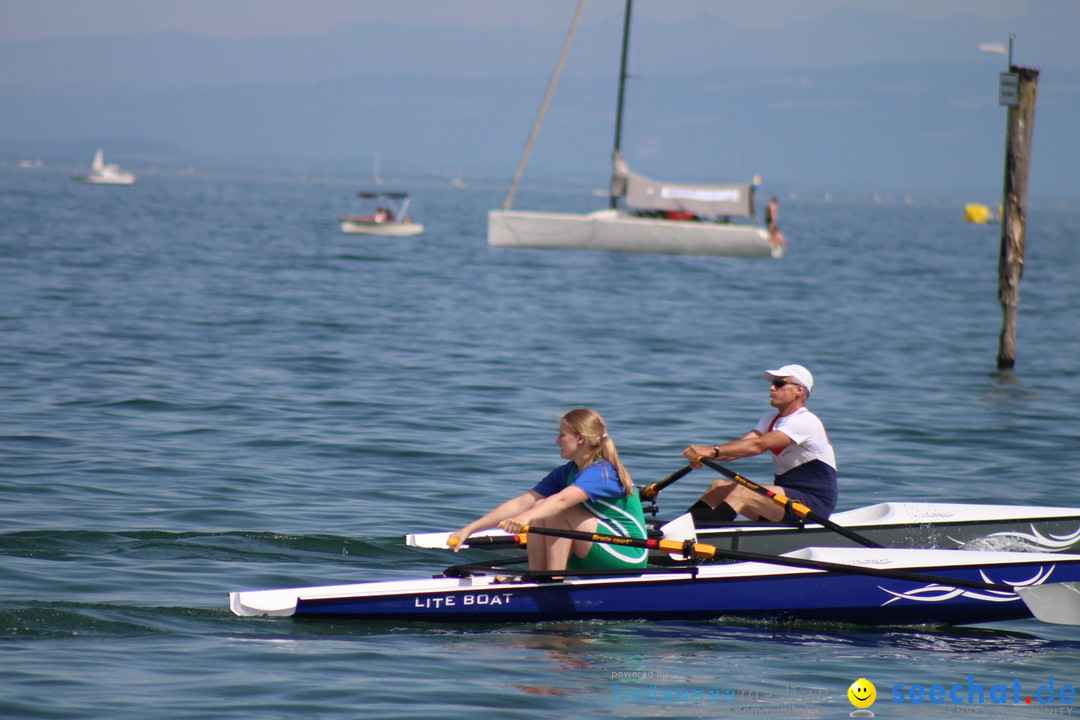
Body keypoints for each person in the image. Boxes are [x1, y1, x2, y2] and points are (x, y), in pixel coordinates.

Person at [448, 408, 648, 572]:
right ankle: (538, 578)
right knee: (539, 505)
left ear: (580, 438)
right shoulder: (566, 472)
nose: (557, 441)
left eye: (562, 435)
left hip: (626, 553)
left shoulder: (603, 471)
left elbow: (561, 502)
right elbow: (521, 503)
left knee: (551, 507)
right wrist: (470, 529)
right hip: (594, 548)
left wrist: (526, 518)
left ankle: (551, 582)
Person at [681, 364, 837, 524]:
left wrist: (712, 451)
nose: (771, 388)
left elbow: (758, 446)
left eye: (780, 384)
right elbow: (741, 448)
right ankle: (681, 530)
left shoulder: (806, 420)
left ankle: (701, 537)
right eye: (773, 383)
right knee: (718, 487)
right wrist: (704, 456)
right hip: (785, 500)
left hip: (813, 505)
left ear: (799, 390)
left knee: (743, 492)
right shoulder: (769, 420)